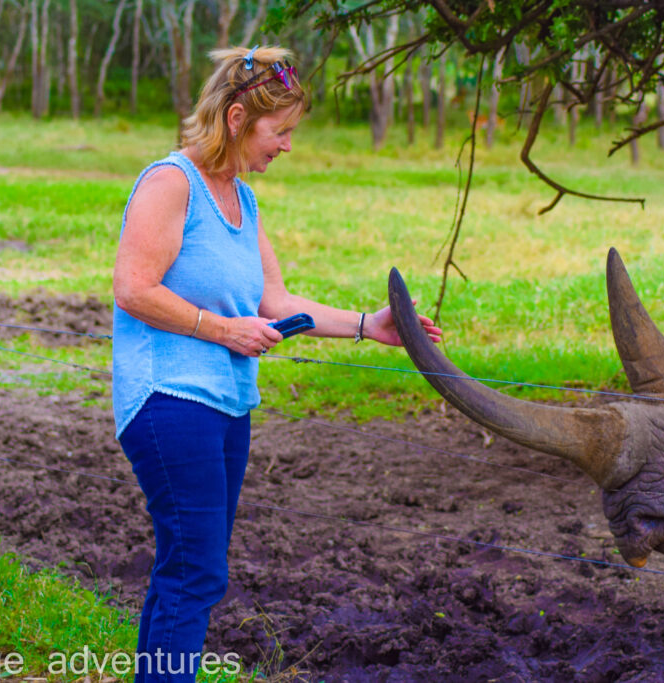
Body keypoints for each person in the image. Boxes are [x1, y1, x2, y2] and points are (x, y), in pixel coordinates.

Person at [111, 45, 441, 681]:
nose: (287, 146)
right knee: (198, 571)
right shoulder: (170, 183)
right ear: (236, 119)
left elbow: (276, 301)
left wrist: (371, 327)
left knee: (186, 566)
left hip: (227, 406)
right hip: (170, 401)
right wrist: (223, 330)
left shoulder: (242, 199)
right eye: (280, 131)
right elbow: (132, 287)